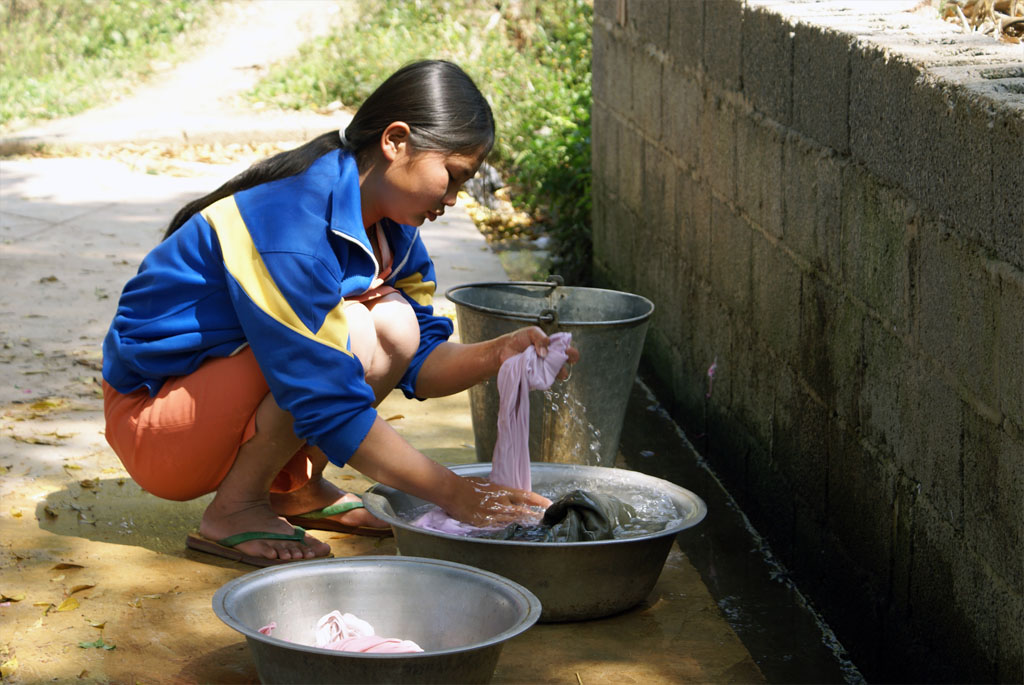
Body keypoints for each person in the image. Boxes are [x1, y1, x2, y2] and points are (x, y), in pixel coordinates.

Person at [101, 59, 578, 567]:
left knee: (394, 324)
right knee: (352, 333)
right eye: (454, 177)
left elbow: (418, 359)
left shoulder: (393, 231)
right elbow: (324, 396)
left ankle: (294, 489)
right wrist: (455, 494)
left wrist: (501, 352)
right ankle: (235, 509)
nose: (455, 199)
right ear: (396, 141)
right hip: (157, 426)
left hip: (209, 407)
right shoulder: (288, 231)